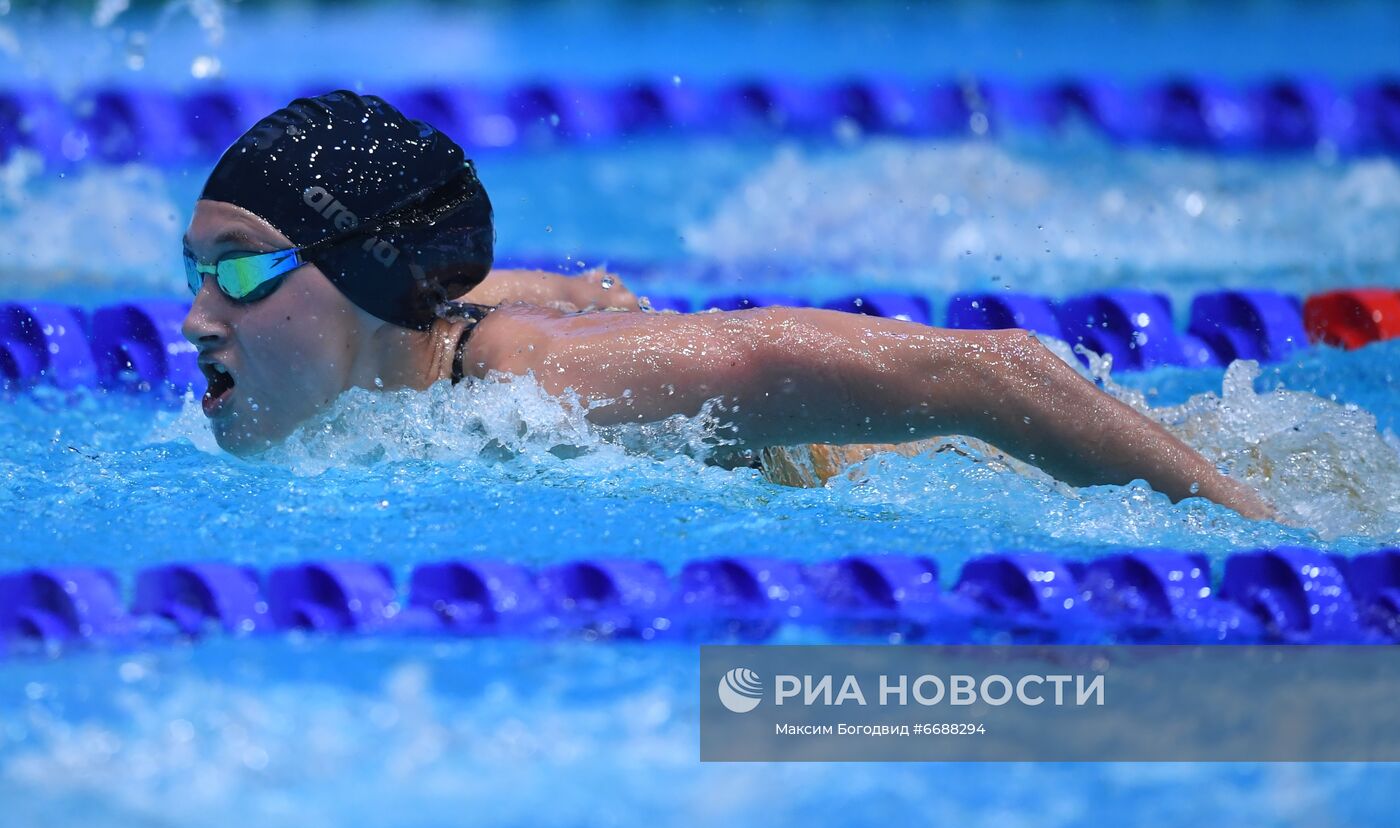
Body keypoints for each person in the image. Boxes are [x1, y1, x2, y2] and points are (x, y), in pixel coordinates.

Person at [181, 91, 1278, 522]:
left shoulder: (547, 389)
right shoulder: (418, 327)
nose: (193, 320)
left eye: (237, 268)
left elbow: (992, 375)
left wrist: (1262, 530)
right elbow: (549, 289)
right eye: (193, 271)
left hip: (958, 466)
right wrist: (582, 298)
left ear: (369, 280)